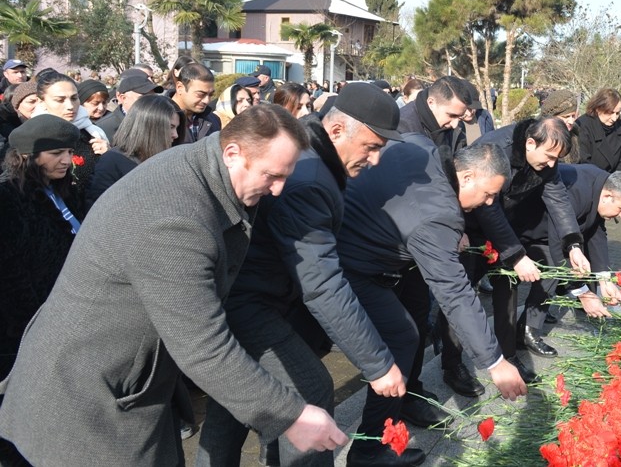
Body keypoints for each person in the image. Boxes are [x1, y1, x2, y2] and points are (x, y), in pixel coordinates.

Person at [0, 106, 346, 466]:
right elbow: (202, 345)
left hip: (123, 384)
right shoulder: (175, 219)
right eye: (271, 175)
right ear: (232, 152)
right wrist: (291, 415)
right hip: (84, 401)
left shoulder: (203, 168)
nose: (278, 190)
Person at [196, 84, 406, 467]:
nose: (374, 161)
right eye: (371, 148)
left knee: (236, 402)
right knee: (310, 391)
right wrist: (376, 363)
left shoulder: (313, 148)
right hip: (249, 301)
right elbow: (322, 283)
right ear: (338, 131)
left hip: (255, 292)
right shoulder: (309, 177)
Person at [340, 138, 528, 466]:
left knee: (409, 329)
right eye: (488, 194)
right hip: (353, 263)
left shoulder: (421, 147)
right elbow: (454, 293)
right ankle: (367, 451)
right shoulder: (439, 217)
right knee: (399, 339)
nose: (488, 203)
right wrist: (495, 362)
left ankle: (393, 415)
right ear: (466, 176)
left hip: (361, 235)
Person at [447, 118, 584, 383]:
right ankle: (452, 363)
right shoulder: (495, 149)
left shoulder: (545, 157)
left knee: (507, 292)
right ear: (530, 143)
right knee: (460, 294)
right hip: (471, 224)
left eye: (557, 159)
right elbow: (488, 206)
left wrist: (572, 243)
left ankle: (508, 355)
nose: (552, 165)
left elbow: (557, 198)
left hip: (506, 229)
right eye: (549, 157)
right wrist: (518, 255)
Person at [0, 115, 83, 466]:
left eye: (69, 152)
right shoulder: (7, 198)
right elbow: (11, 274)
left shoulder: (64, 191)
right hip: (21, 329)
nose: (66, 160)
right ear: (27, 156)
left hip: (60, 320)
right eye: (56, 153)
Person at [521, 165, 621, 321]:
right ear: (607, 196)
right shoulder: (578, 191)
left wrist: (604, 280)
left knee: (558, 265)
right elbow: (558, 243)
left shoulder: (602, 185)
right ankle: (521, 332)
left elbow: (596, 232)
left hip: (547, 230)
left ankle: (528, 327)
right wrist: (582, 293)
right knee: (553, 264)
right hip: (521, 227)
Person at [86, 95, 180, 211]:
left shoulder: (169, 159)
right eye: (170, 127)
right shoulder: (112, 162)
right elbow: (99, 210)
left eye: (176, 128)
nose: (175, 135)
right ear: (149, 125)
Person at [574, 88, 621, 173]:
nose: (614, 118)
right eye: (610, 113)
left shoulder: (618, 126)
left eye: (617, 113)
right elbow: (583, 162)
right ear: (598, 108)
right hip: (589, 180)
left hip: (612, 181)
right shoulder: (583, 126)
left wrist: (615, 180)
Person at [97, 68, 161, 140]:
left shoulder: (161, 121)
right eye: (143, 98)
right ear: (122, 98)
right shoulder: (102, 128)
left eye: (153, 97)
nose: (150, 103)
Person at [169, 62, 220, 144]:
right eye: (200, 94)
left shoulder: (213, 120)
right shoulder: (158, 117)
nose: (206, 101)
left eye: (210, 95)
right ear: (180, 87)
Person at [539, 89, 579, 162]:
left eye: (573, 116)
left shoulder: (576, 135)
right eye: (566, 117)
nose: (571, 121)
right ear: (552, 117)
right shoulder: (538, 137)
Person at [0, 82, 37, 161]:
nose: (38, 106)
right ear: (17, 105)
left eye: (41, 101)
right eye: (31, 102)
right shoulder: (4, 125)